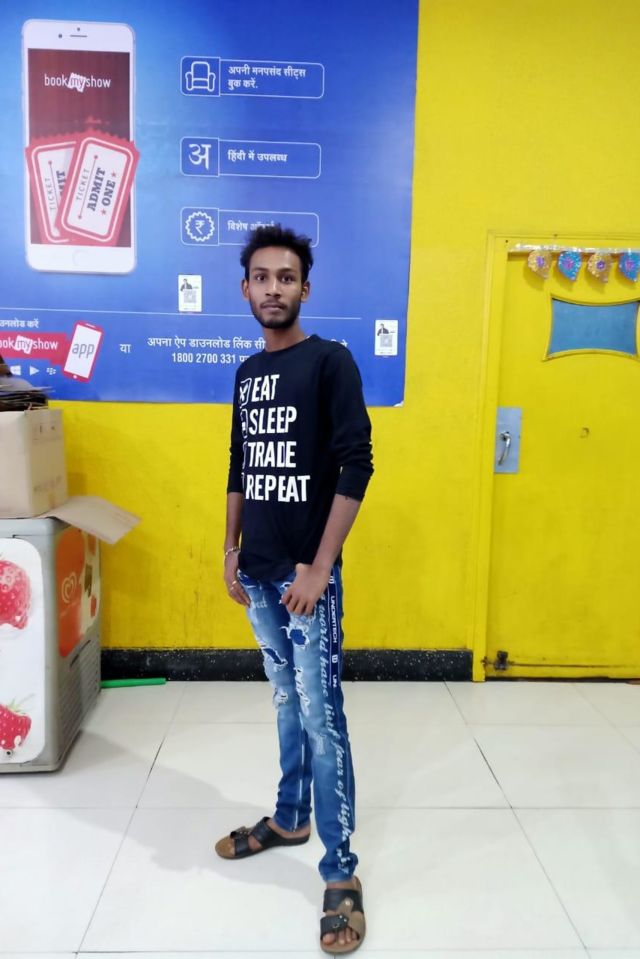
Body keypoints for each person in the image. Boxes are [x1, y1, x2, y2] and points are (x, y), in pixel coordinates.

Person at [216, 225, 373, 954]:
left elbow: (356, 464)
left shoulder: (329, 362)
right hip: (257, 569)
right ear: (245, 288)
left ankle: (341, 871)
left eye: (286, 277)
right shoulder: (248, 372)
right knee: (286, 701)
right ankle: (289, 817)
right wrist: (230, 548)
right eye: (262, 276)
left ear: (305, 288)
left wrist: (318, 566)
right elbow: (239, 463)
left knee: (321, 714)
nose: (273, 288)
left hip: (305, 577)